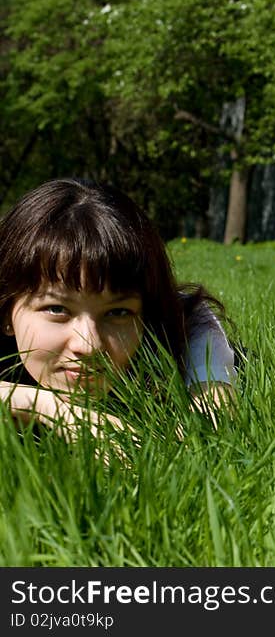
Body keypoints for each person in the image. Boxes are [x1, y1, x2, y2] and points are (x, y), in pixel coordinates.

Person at [0, 178, 237, 443]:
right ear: (7, 311)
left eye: (117, 313)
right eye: (57, 309)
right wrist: (42, 404)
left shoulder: (189, 324)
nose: (88, 345)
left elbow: (207, 437)